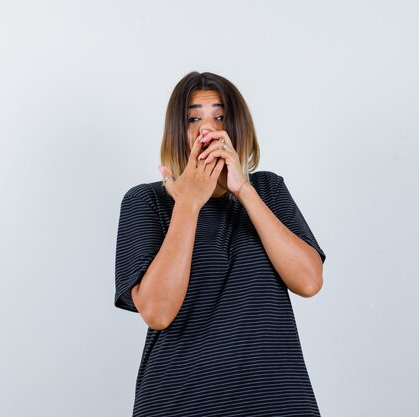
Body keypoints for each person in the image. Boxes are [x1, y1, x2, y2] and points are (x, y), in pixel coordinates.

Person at [114, 71, 326, 416]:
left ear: (237, 128)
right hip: (180, 400)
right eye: (193, 118)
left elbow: (309, 281)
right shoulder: (146, 201)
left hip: (277, 400)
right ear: (176, 131)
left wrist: (244, 190)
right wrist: (188, 203)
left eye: (220, 116)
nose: (206, 129)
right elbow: (157, 312)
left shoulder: (268, 190)